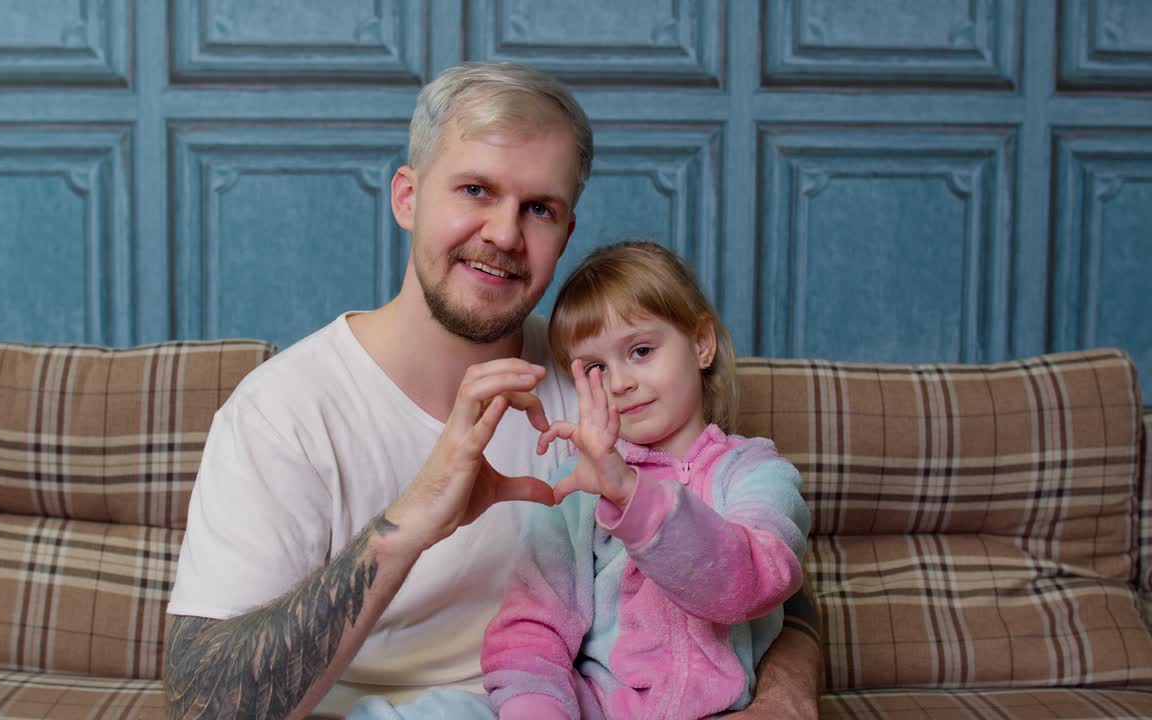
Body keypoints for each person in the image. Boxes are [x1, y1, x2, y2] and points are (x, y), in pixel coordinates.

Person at [162, 61, 821, 719]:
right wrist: (410, 523)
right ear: (407, 198)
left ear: (565, 233)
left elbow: (762, 580)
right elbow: (202, 707)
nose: (505, 234)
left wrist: (784, 698)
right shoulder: (284, 414)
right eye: (475, 190)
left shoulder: (600, 380)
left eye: (538, 209)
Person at [483, 241, 811, 718]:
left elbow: (751, 580)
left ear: (701, 344)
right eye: (595, 367)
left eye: (640, 351)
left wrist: (630, 494)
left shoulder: (757, 474)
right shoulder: (577, 485)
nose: (618, 383)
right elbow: (531, 630)